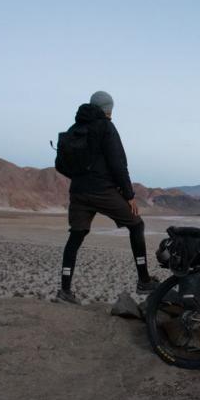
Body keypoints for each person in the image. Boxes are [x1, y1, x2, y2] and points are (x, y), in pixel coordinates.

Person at [54, 90, 159, 304]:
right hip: (101, 190)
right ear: (108, 109)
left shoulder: (76, 128)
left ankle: (64, 290)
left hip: (78, 192)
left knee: (75, 236)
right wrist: (129, 195)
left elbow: (62, 164)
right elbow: (118, 163)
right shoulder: (106, 127)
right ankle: (144, 280)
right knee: (136, 225)